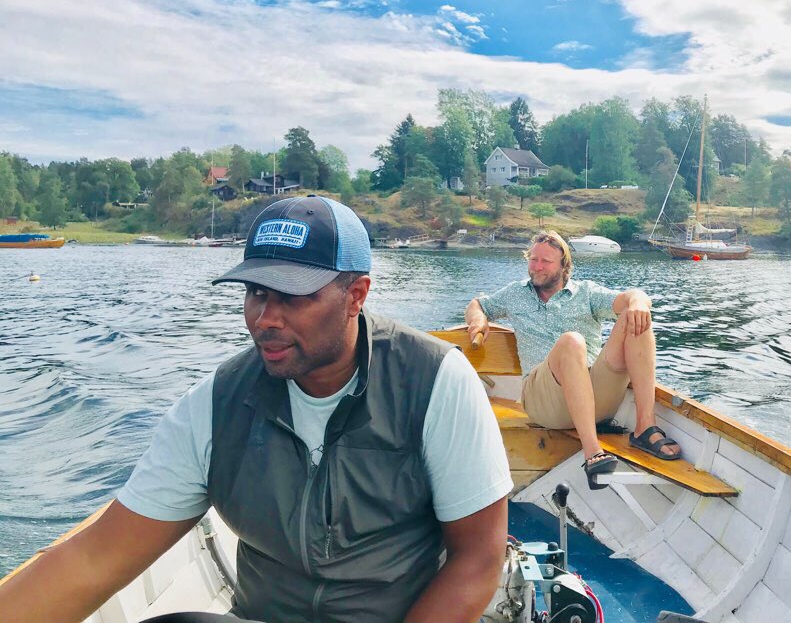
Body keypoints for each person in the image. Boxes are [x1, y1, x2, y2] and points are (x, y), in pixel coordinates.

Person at [1, 195, 513, 623]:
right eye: (255, 292)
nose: (265, 319)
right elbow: (95, 558)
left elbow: (478, 559)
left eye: (293, 297)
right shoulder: (217, 404)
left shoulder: (435, 381)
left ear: (355, 295)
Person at [465, 230, 680, 484]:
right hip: (544, 402)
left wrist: (639, 304)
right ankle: (592, 452)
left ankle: (645, 426)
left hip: (594, 396)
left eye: (546, 261)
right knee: (572, 341)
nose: (537, 267)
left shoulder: (586, 293)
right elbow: (479, 304)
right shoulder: (516, 293)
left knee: (635, 318)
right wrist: (478, 319)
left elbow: (634, 297)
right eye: (533, 259)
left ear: (564, 266)